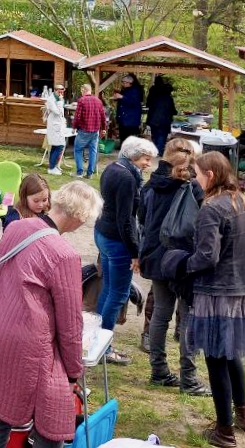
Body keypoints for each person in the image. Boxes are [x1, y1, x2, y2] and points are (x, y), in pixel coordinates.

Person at [0, 182, 103, 448]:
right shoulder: (65, 255)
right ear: (80, 216)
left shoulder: (16, 227)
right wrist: (72, 373)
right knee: (53, 417)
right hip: (28, 345)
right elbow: (70, 323)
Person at [185, 151, 245, 448]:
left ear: (211, 175)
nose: (195, 178)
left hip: (217, 291)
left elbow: (207, 256)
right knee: (231, 355)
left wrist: (183, 264)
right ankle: (242, 415)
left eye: (197, 173)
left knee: (216, 358)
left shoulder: (212, 208)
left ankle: (225, 431)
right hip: (241, 291)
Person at [138, 138, 211, 396]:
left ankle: (158, 371)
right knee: (189, 318)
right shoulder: (196, 189)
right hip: (185, 260)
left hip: (157, 258)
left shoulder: (150, 185)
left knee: (160, 314)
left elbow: (142, 217)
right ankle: (189, 379)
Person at [95, 136, 158, 365]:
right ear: (133, 156)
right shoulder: (126, 178)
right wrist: (135, 252)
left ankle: (96, 337)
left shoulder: (113, 167)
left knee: (109, 290)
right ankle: (104, 346)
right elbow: (125, 220)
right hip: (117, 239)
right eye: (145, 159)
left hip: (104, 233)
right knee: (118, 295)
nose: (147, 164)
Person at [71, 84, 107, 179]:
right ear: (90, 90)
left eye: (81, 90)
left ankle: (79, 172)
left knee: (78, 150)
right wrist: (104, 128)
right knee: (93, 152)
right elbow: (103, 116)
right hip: (95, 131)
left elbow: (77, 116)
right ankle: (90, 173)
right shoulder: (98, 101)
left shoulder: (81, 100)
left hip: (84, 130)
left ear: (83, 90)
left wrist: (74, 127)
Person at [145, 75, 177, 154]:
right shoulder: (168, 97)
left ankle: (155, 150)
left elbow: (148, 104)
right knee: (162, 136)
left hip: (153, 118)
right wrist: (175, 112)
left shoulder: (153, 94)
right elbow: (172, 110)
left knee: (155, 135)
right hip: (164, 120)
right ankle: (158, 151)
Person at [112, 74, 144, 144]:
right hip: (124, 119)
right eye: (123, 82)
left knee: (129, 137)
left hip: (131, 120)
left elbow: (134, 103)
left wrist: (122, 97)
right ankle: (123, 148)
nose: (123, 84)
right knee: (123, 136)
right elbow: (123, 100)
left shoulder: (135, 91)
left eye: (124, 82)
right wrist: (117, 98)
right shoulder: (125, 90)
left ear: (129, 83)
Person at [43, 85, 67, 175]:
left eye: (62, 91)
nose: (61, 93)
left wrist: (61, 101)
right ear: (55, 90)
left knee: (56, 146)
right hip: (54, 126)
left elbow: (62, 113)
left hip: (59, 125)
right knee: (59, 146)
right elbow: (58, 112)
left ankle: (53, 166)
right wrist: (60, 102)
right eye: (59, 91)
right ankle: (52, 168)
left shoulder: (59, 98)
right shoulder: (51, 99)